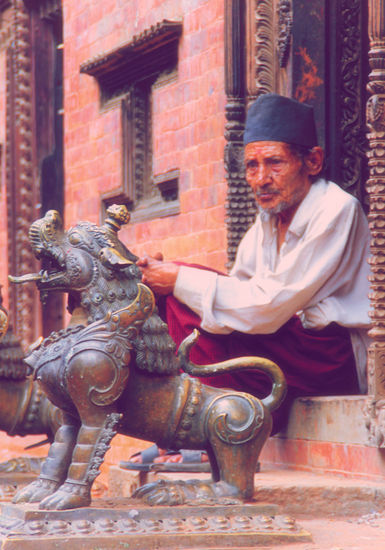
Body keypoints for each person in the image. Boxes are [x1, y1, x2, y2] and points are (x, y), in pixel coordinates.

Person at [128, 93, 371, 468]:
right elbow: (241, 291)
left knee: (185, 291)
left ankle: (213, 434)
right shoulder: (269, 219)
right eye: (252, 166)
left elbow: (266, 308)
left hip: (328, 355)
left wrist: (178, 277)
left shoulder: (335, 210)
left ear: (313, 161)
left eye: (274, 163)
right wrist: (169, 279)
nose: (261, 179)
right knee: (176, 296)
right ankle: (181, 430)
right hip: (290, 343)